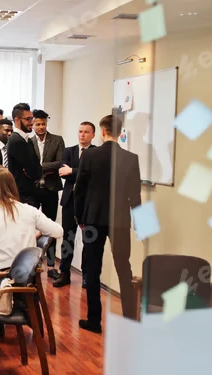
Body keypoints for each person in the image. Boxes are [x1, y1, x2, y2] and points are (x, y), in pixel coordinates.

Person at [74, 114, 141, 333]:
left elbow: (79, 190)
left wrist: (79, 218)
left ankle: (94, 320)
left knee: (92, 269)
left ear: (102, 132)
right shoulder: (131, 158)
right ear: (120, 133)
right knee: (124, 268)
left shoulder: (89, 155)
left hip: (93, 219)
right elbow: (135, 196)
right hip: (120, 220)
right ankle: (130, 319)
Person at [0, 168, 64, 296]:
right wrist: (39, 232)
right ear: (13, 187)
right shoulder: (30, 211)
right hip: (27, 276)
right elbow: (58, 231)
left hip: (0, 277)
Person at [54, 121, 97, 288]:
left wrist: (72, 170)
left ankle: (86, 275)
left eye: (86, 132)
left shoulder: (96, 153)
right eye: (80, 131)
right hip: (70, 201)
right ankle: (64, 273)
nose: (82, 135)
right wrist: (80, 173)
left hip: (88, 203)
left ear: (93, 135)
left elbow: (93, 174)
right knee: (68, 238)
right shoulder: (68, 151)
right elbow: (62, 172)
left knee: (89, 241)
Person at [30, 110, 65, 280]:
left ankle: (51, 266)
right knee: (29, 227)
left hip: (50, 189)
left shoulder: (57, 140)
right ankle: (31, 264)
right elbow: (27, 165)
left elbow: (60, 162)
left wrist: (39, 167)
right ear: (33, 125)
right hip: (33, 189)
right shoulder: (28, 142)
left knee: (50, 227)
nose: (41, 127)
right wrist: (46, 167)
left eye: (43, 124)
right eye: (37, 124)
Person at [6, 103, 42, 207]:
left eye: (32, 119)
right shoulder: (16, 140)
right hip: (21, 195)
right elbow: (32, 170)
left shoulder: (27, 140)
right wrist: (36, 170)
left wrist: (36, 170)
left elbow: (37, 167)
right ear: (17, 120)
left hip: (29, 194)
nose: (32, 122)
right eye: (28, 119)